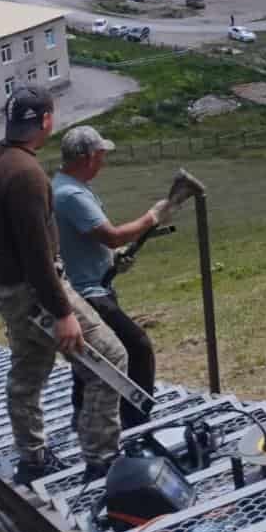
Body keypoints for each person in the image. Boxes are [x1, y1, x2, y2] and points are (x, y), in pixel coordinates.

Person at [0, 87, 128, 486]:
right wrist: (64, 314)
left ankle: (32, 458)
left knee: (28, 371)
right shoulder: (29, 175)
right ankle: (102, 459)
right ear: (47, 120)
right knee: (110, 359)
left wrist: (2, 247)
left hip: (4, 290)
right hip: (38, 291)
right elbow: (37, 257)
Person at [53, 126, 169, 429]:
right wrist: (151, 217)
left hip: (92, 283)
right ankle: (136, 422)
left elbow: (89, 243)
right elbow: (112, 237)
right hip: (87, 292)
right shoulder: (71, 195)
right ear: (88, 157)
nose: (103, 162)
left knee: (89, 362)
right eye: (101, 155)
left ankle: (80, 418)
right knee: (137, 348)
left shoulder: (64, 186)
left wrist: (112, 263)